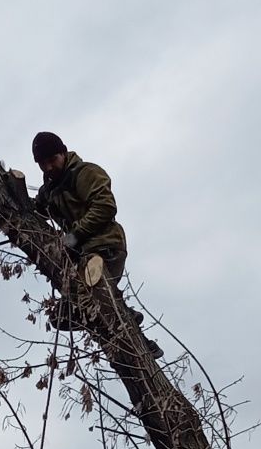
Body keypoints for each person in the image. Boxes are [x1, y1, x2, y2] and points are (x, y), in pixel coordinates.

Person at [31, 131, 163, 358]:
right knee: (65, 314)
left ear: (63, 153)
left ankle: (139, 343)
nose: (49, 167)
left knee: (96, 298)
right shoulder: (51, 189)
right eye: (43, 164)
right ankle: (128, 318)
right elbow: (38, 209)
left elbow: (105, 206)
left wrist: (75, 236)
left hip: (106, 245)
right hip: (83, 253)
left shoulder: (85, 173)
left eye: (52, 160)